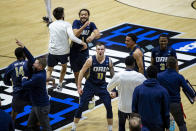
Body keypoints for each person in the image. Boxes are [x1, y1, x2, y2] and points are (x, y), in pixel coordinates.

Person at [71, 42, 114, 131]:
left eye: (102, 49)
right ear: (96, 50)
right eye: (98, 49)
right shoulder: (90, 60)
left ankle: (110, 128)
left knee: (109, 106)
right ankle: (73, 127)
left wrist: (114, 90)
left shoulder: (109, 61)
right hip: (90, 85)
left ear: (104, 50)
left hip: (102, 86)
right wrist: (79, 87)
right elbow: (81, 72)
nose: (100, 51)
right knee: (81, 106)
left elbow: (113, 77)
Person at [47, 7, 87, 91]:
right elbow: (72, 37)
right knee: (64, 67)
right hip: (63, 52)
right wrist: (82, 42)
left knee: (49, 69)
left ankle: (45, 88)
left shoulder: (51, 25)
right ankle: (60, 85)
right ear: (62, 15)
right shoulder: (67, 24)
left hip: (52, 51)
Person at [16, 40, 52, 131]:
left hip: (41, 106)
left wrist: (24, 77)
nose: (33, 63)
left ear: (40, 66)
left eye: (35, 63)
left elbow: (24, 85)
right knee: (30, 125)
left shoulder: (38, 77)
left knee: (46, 128)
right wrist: (23, 46)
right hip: (37, 104)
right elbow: (31, 58)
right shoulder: (39, 70)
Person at [107, 56, 146, 131]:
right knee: (136, 128)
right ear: (134, 64)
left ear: (125, 64)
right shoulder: (139, 76)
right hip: (134, 108)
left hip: (122, 107)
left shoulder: (118, 75)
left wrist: (114, 91)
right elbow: (147, 88)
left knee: (121, 127)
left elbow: (108, 88)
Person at [157, 57, 196, 131]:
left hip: (162, 104)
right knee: (181, 123)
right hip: (175, 104)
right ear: (176, 65)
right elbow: (187, 88)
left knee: (168, 123)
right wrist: (194, 96)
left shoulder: (159, 76)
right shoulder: (179, 76)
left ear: (166, 65)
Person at [3, 40, 34, 122]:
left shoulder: (11, 66)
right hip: (30, 92)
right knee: (38, 111)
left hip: (18, 94)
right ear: (24, 54)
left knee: (13, 115)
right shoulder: (28, 63)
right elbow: (32, 60)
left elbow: (5, 81)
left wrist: (12, 83)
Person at [132, 65, 170, 131]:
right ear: (156, 75)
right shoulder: (163, 91)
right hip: (158, 126)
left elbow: (134, 110)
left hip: (142, 126)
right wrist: (168, 126)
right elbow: (166, 112)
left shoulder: (137, 89)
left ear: (147, 75)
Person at [70, 8, 100, 86]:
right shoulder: (76, 22)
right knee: (76, 73)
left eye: (85, 14)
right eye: (82, 15)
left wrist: (92, 36)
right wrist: (84, 26)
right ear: (79, 16)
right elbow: (75, 34)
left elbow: (98, 34)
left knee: (87, 72)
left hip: (84, 51)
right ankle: (79, 90)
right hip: (74, 51)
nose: (83, 16)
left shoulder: (91, 24)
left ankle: (89, 90)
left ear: (88, 16)